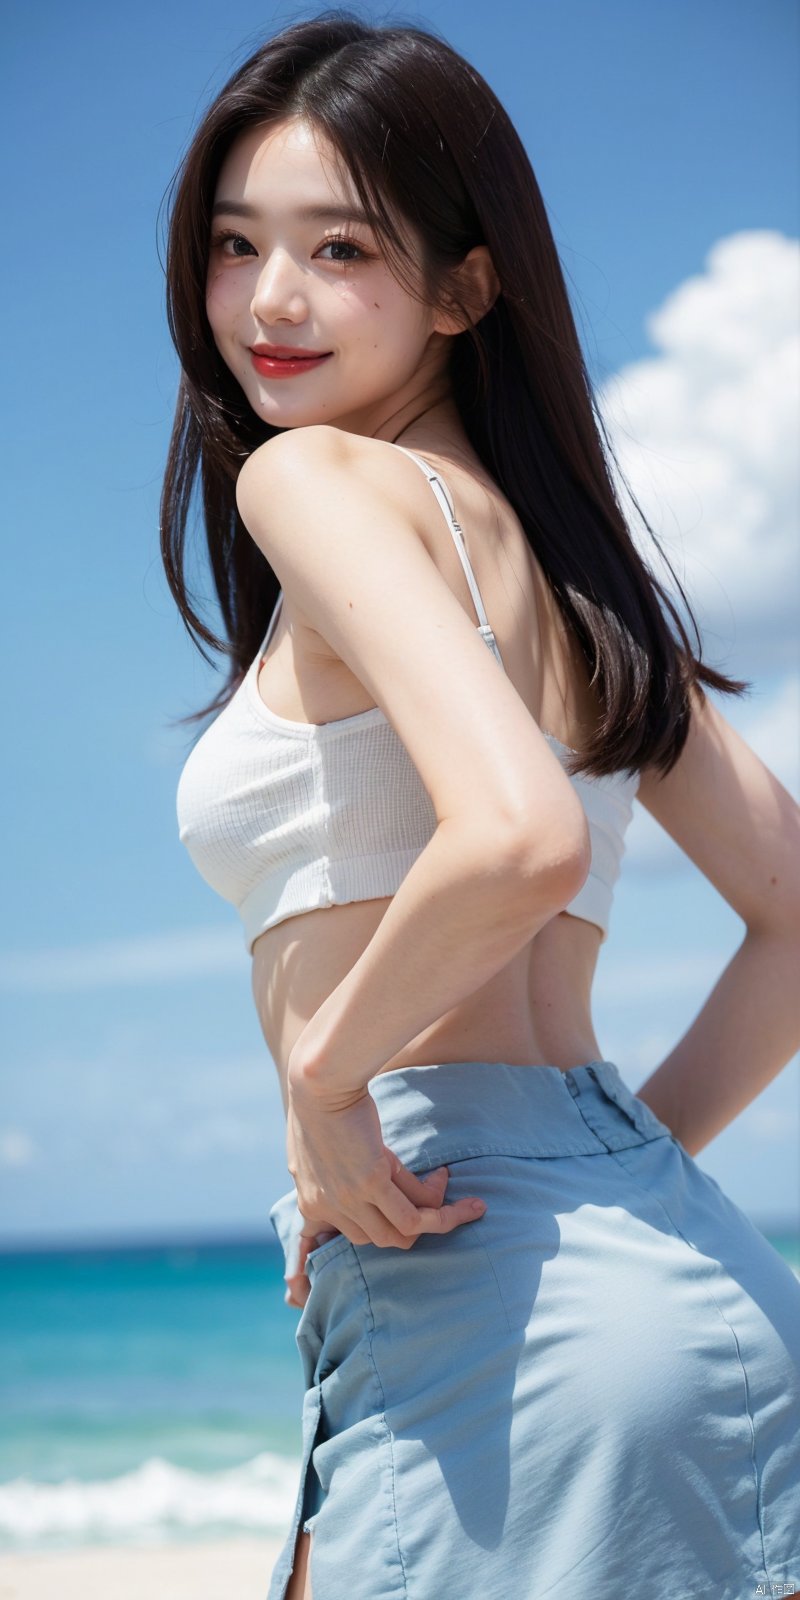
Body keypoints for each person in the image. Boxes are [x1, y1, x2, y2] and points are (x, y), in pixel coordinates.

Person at [166, 13, 800, 1597]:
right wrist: (622, 1157)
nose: (271, 300)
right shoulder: (590, 590)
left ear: (466, 286)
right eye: (235, 245)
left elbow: (520, 836)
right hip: (675, 1264)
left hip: (471, 1282)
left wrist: (324, 1080)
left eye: (340, 247)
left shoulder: (304, 480)